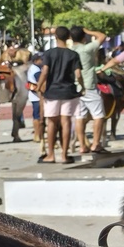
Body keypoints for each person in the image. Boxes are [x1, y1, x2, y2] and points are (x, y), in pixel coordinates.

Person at [35, 26, 83, 164]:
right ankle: (64, 155)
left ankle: (50, 155)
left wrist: (39, 86)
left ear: (55, 37)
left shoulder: (49, 54)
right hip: (69, 92)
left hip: (52, 92)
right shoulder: (73, 55)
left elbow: (44, 72)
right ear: (69, 37)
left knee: (51, 123)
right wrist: (83, 86)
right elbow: (78, 74)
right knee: (66, 122)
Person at [70, 25, 111, 155]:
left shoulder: (70, 50)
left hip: (76, 87)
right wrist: (87, 30)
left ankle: (82, 145)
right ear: (83, 37)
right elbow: (102, 36)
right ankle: (95, 144)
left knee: (80, 116)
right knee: (99, 115)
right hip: (89, 85)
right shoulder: (87, 49)